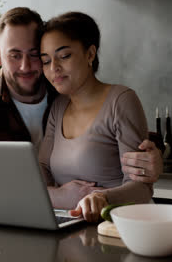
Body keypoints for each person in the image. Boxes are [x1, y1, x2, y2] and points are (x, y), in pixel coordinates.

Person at [0, 7, 162, 211]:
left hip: (109, 222)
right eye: (15, 55)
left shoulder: (61, 92)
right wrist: (56, 196)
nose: (27, 66)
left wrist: (156, 153)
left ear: (90, 54)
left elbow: (129, 149)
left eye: (36, 55)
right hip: (40, 218)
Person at [38, 12, 154, 222]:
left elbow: (142, 188)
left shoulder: (121, 101)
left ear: (90, 54)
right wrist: (58, 196)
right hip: (69, 228)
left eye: (64, 56)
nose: (53, 67)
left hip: (118, 227)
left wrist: (102, 198)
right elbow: (43, 170)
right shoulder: (58, 107)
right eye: (46, 61)